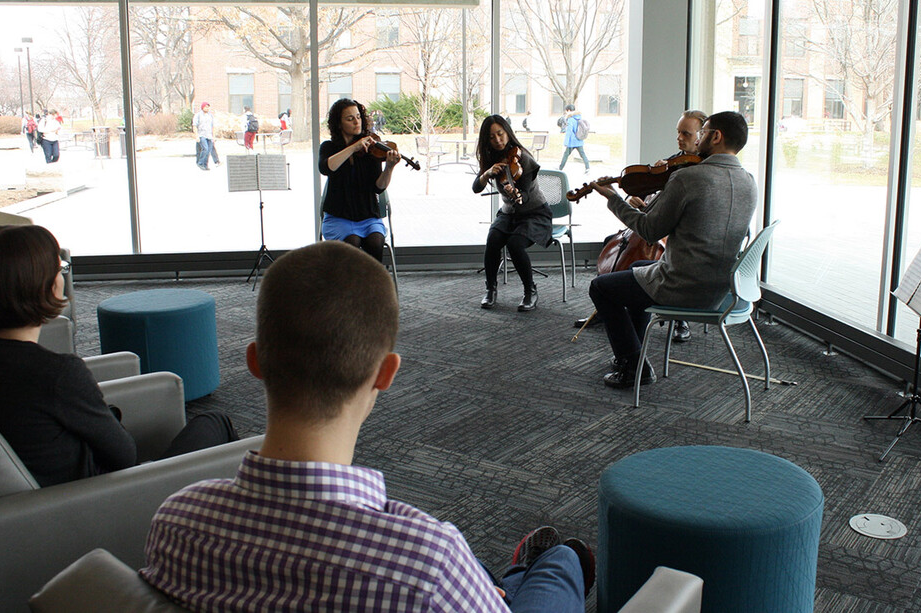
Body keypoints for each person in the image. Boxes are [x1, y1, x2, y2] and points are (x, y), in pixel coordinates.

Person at [141, 241, 594, 611]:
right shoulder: (428, 567)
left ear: (255, 362)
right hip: (449, 583)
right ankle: (546, 564)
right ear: (386, 373)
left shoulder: (175, 522)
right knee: (559, 564)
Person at [0, 225, 239, 487]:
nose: (62, 276)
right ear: (43, 285)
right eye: (60, 268)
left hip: (51, 497)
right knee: (216, 421)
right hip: (109, 497)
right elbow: (125, 455)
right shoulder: (57, 374)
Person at [588, 111, 758, 388]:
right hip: (723, 288)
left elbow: (649, 231)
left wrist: (614, 199)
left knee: (600, 288)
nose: (699, 136)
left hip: (684, 287)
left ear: (716, 137)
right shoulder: (749, 182)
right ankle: (634, 353)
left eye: (702, 131)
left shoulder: (689, 178)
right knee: (636, 269)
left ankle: (634, 367)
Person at [575, 110, 708, 344]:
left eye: (686, 133)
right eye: (678, 132)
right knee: (611, 242)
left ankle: (680, 319)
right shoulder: (672, 163)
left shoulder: (703, 172)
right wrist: (633, 200)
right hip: (656, 223)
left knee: (656, 257)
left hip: (676, 238)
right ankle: (606, 306)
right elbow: (643, 194)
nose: (679, 138)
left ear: (701, 136)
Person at [472, 115, 553, 312]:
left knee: (515, 244)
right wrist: (486, 173)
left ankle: (530, 291)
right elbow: (476, 188)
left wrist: (515, 193)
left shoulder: (523, 158)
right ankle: (490, 289)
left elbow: (524, 194)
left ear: (507, 132)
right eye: (492, 137)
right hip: (509, 214)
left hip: (534, 213)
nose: (498, 140)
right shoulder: (491, 159)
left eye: (500, 134)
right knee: (493, 240)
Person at [319, 98, 399, 264]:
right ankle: (349, 286)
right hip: (338, 218)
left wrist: (389, 167)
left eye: (358, 117)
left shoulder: (372, 150)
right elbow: (326, 168)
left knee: (376, 241)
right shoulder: (329, 148)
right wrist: (353, 147)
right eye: (350, 119)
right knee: (352, 242)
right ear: (339, 124)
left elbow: (378, 188)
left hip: (368, 217)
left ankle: (374, 286)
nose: (357, 122)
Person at [558, 105, 590, 173]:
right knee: (582, 154)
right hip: (579, 140)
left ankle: (560, 168)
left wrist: (566, 143)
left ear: (569, 110)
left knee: (566, 154)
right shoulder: (579, 118)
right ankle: (587, 168)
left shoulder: (570, 119)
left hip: (571, 142)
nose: (566, 112)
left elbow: (569, 132)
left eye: (566, 111)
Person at [192, 102, 220, 170]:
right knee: (205, 148)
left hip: (209, 135)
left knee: (208, 151)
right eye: (206, 107)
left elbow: (213, 126)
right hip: (202, 135)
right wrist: (196, 136)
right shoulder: (198, 115)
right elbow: (195, 126)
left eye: (208, 107)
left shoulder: (210, 116)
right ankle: (200, 163)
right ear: (202, 107)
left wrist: (213, 136)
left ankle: (205, 165)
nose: (207, 108)